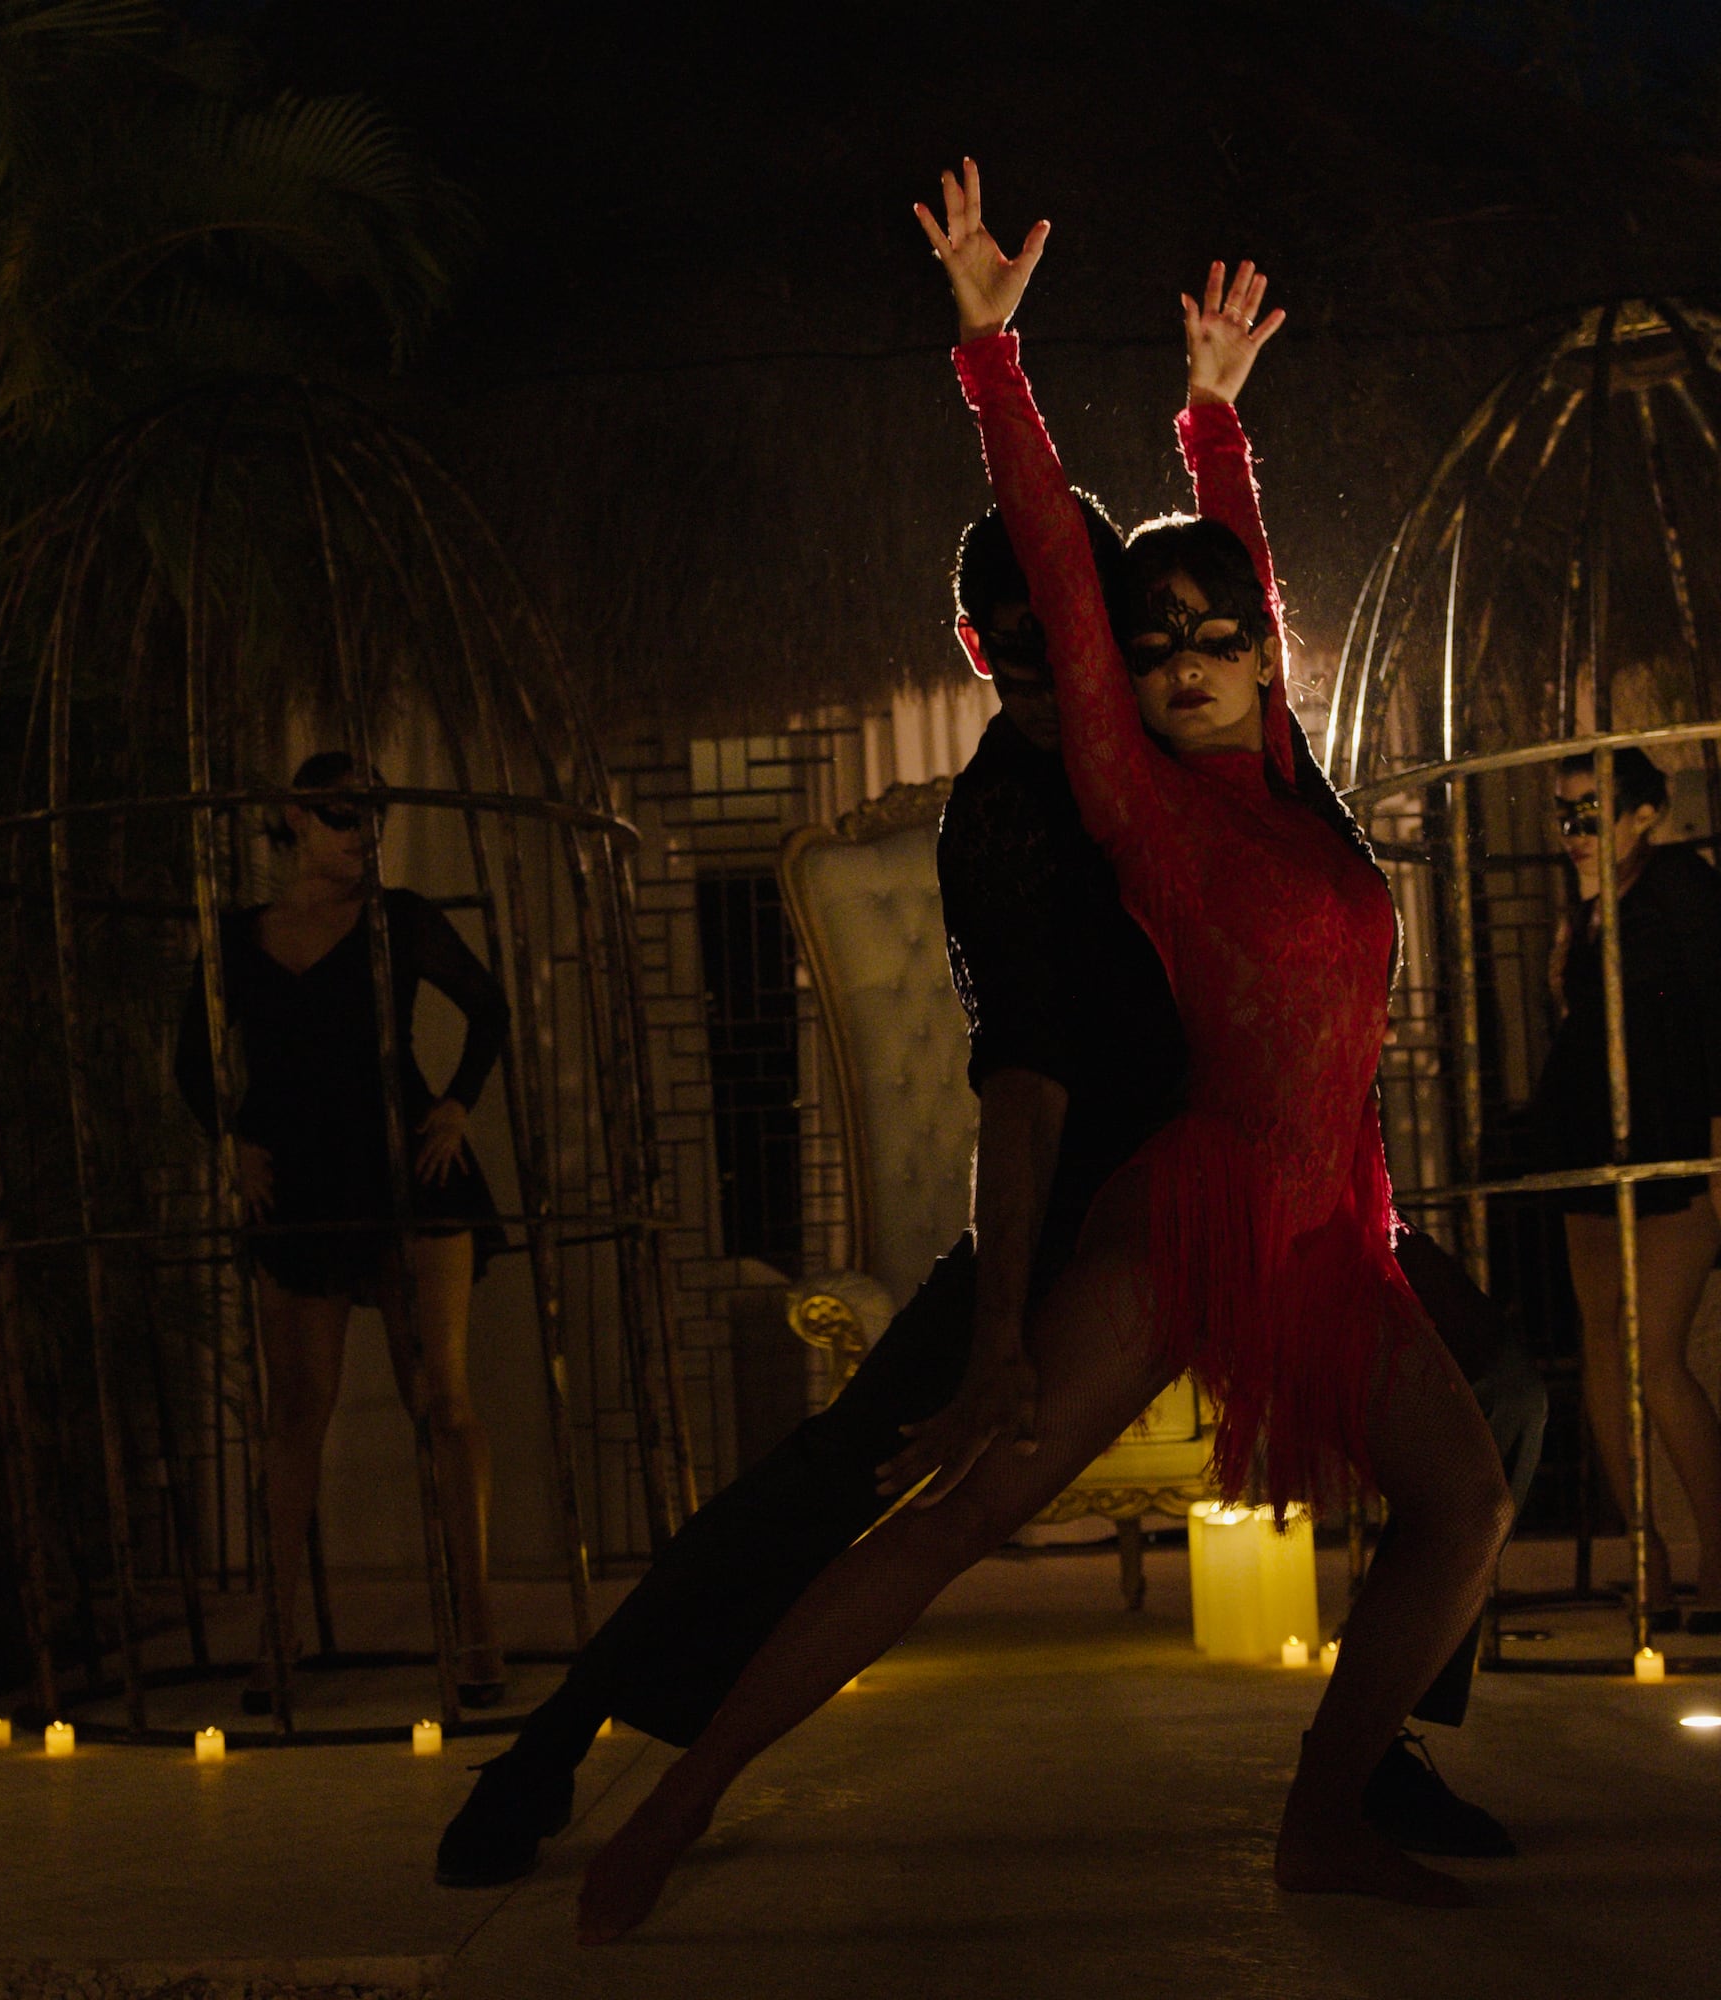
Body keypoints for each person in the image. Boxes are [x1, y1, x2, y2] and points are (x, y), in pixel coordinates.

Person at [435, 257, 1535, 1895]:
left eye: (1219, 637)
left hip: (1324, 1228)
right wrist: (989, 359)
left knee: (1475, 1466)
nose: (1186, 661)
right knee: (925, 1497)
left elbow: (1235, 584)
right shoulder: (1112, 800)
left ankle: (1351, 1788)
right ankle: (652, 1780)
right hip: (1151, 1204)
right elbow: (1019, 1058)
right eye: (1143, 647)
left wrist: (1215, 413)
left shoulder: (1284, 765)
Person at [177, 749, 513, 1709]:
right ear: (295, 819)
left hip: (405, 1169)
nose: (362, 836)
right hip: (301, 1178)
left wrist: (456, 1104)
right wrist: (232, 1141)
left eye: (372, 819)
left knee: (442, 1397)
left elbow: (487, 1010)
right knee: (297, 1412)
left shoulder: (398, 919)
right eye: (341, 818)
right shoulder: (243, 938)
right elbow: (190, 1056)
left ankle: (476, 1626)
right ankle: (275, 1641)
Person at [1540, 746, 1721, 1632]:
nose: (1575, 831)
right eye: (1564, 814)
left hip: (1669, 1147)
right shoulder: (1588, 905)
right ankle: (1644, 1560)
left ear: (1644, 814)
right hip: (1589, 1145)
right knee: (1604, 1354)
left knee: (1655, 1355)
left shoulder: (1680, 885)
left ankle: (1720, 1558)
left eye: (1592, 811)